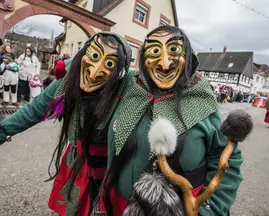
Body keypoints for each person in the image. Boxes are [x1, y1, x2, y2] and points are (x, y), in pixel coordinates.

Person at [0, 32, 132, 216]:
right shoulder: (66, 84)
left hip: (111, 169)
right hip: (78, 161)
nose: (95, 70)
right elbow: (34, 110)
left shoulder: (126, 93)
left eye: (110, 64)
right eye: (95, 56)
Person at [98, 26, 243, 215]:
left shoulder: (201, 98)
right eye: (155, 51)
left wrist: (210, 209)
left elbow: (227, 159)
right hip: (116, 202)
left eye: (174, 50)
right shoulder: (130, 86)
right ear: (143, 58)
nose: (165, 64)